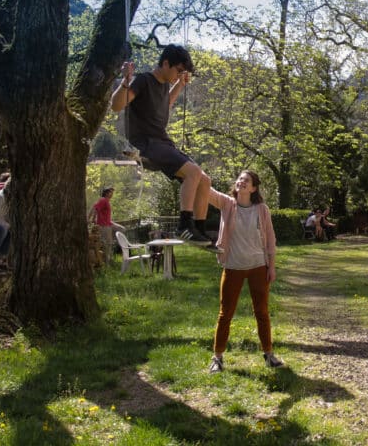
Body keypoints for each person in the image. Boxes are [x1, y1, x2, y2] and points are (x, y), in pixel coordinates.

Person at [111, 45, 213, 247]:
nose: (179, 75)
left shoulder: (164, 85)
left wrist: (180, 85)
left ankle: (198, 230)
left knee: (204, 180)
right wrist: (125, 80)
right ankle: (184, 226)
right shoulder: (143, 80)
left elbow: (165, 105)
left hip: (162, 142)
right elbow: (116, 106)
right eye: (178, 70)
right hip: (146, 144)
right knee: (194, 172)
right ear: (165, 63)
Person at [207, 170, 284, 373]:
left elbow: (270, 239)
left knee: (262, 312)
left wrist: (272, 266)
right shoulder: (226, 203)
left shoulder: (262, 209)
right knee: (225, 314)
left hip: (259, 266)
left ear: (253, 188)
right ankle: (218, 357)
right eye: (240, 179)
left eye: (246, 180)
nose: (241, 181)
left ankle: (269, 354)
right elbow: (205, 191)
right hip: (233, 266)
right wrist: (191, 173)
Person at [88, 187, 126, 251]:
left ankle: (110, 239)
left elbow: (97, 208)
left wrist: (94, 218)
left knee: (122, 229)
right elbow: (95, 207)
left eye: (112, 192)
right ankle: (108, 259)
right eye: (110, 192)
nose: (112, 194)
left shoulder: (106, 201)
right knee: (108, 244)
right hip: (104, 225)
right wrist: (89, 218)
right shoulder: (103, 200)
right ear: (106, 193)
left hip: (109, 223)